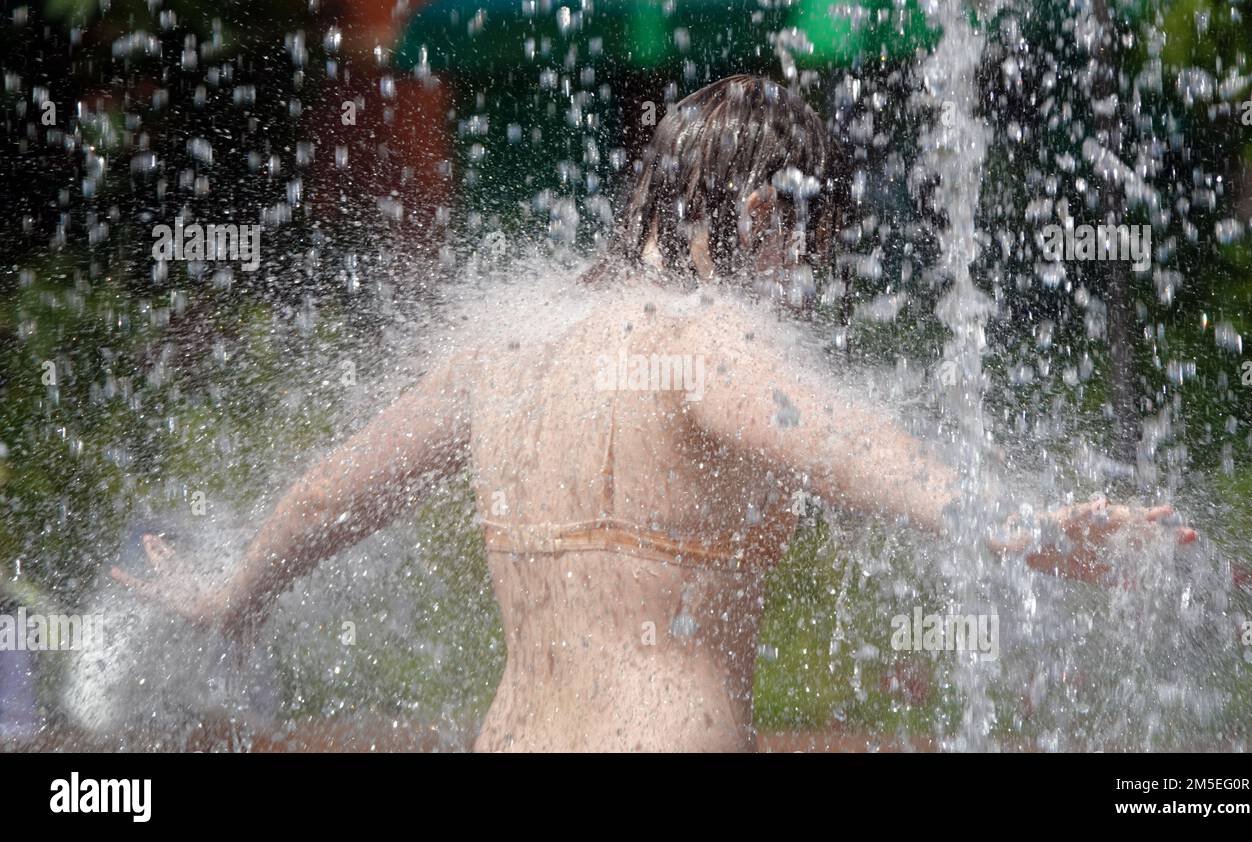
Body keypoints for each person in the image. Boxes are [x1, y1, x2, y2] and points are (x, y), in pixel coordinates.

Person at [112, 75, 1197, 751]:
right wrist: (1011, 524)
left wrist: (233, 590)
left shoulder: (511, 338)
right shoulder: (709, 340)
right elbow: (853, 444)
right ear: (771, 213)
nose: (822, 272)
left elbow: (333, 489)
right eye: (822, 234)